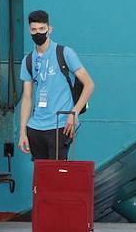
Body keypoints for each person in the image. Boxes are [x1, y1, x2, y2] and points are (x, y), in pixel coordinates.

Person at [17, 10, 95, 160]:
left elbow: (89, 84)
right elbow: (27, 97)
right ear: (29, 30)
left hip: (60, 124)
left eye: (41, 29)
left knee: (58, 174)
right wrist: (23, 132)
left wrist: (74, 113)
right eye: (34, 30)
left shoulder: (65, 53)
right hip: (35, 127)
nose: (37, 33)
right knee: (42, 175)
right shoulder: (28, 60)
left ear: (49, 29)